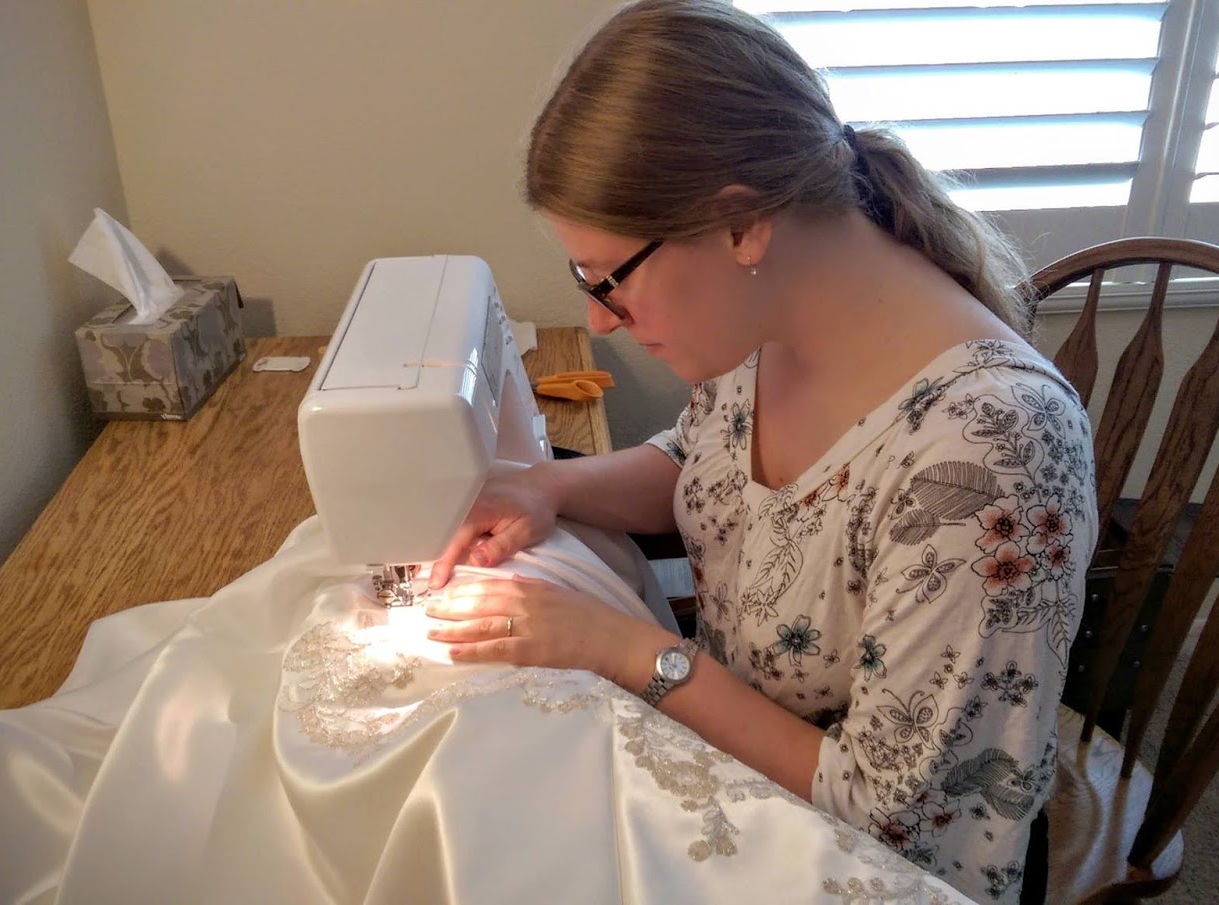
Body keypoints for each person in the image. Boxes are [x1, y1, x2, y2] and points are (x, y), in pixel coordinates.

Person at [422, 2, 1096, 902]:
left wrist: (626, 650)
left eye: (608, 281)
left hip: (848, 855)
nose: (596, 319)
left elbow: (898, 828)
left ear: (740, 225)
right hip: (732, 764)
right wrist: (550, 484)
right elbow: (702, 467)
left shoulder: (987, 456)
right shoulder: (773, 320)